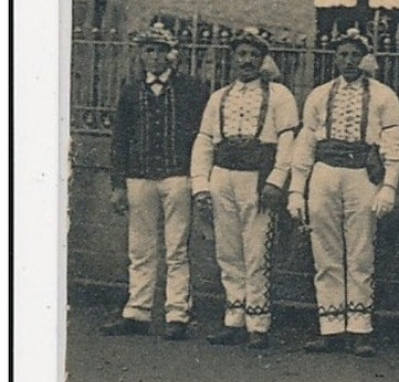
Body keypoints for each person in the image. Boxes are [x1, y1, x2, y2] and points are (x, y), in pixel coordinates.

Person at [287, 28, 399, 356]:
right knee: (325, 251)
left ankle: (360, 328)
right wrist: (297, 190)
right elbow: (305, 144)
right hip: (324, 174)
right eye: (343, 55)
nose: (349, 61)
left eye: (355, 55)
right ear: (335, 57)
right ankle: (330, 327)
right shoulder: (319, 95)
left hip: (361, 176)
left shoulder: (383, 96)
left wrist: (389, 187)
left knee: (360, 251)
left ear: (365, 57)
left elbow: (395, 144)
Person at [189, 27, 300, 348]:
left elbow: (287, 140)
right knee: (228, 249)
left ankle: (258, 321)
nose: (247, 60)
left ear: (263, 58)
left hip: (258, 177)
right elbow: (205, 141)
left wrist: (276, 180)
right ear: (233, 59)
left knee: (256, 250)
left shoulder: (280, 96)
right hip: (223, 175)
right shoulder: (219, 96)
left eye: (253, 54)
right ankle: (233, 318)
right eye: (241, 54)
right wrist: (201, 184)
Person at [101, 20, 212, 341]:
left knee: (177, 247)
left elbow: (200, 137)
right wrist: (117, 185)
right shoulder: (130, 90)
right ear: (141, 55)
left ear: (172, 55)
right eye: (148, 51)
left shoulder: (191, 89)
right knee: (141, 247)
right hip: (139, 178)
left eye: (160, 51)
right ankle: (137, 312)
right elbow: (120, 140)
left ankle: (177, 314)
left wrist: (197, 178)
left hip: (177, 177)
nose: (154, 57)